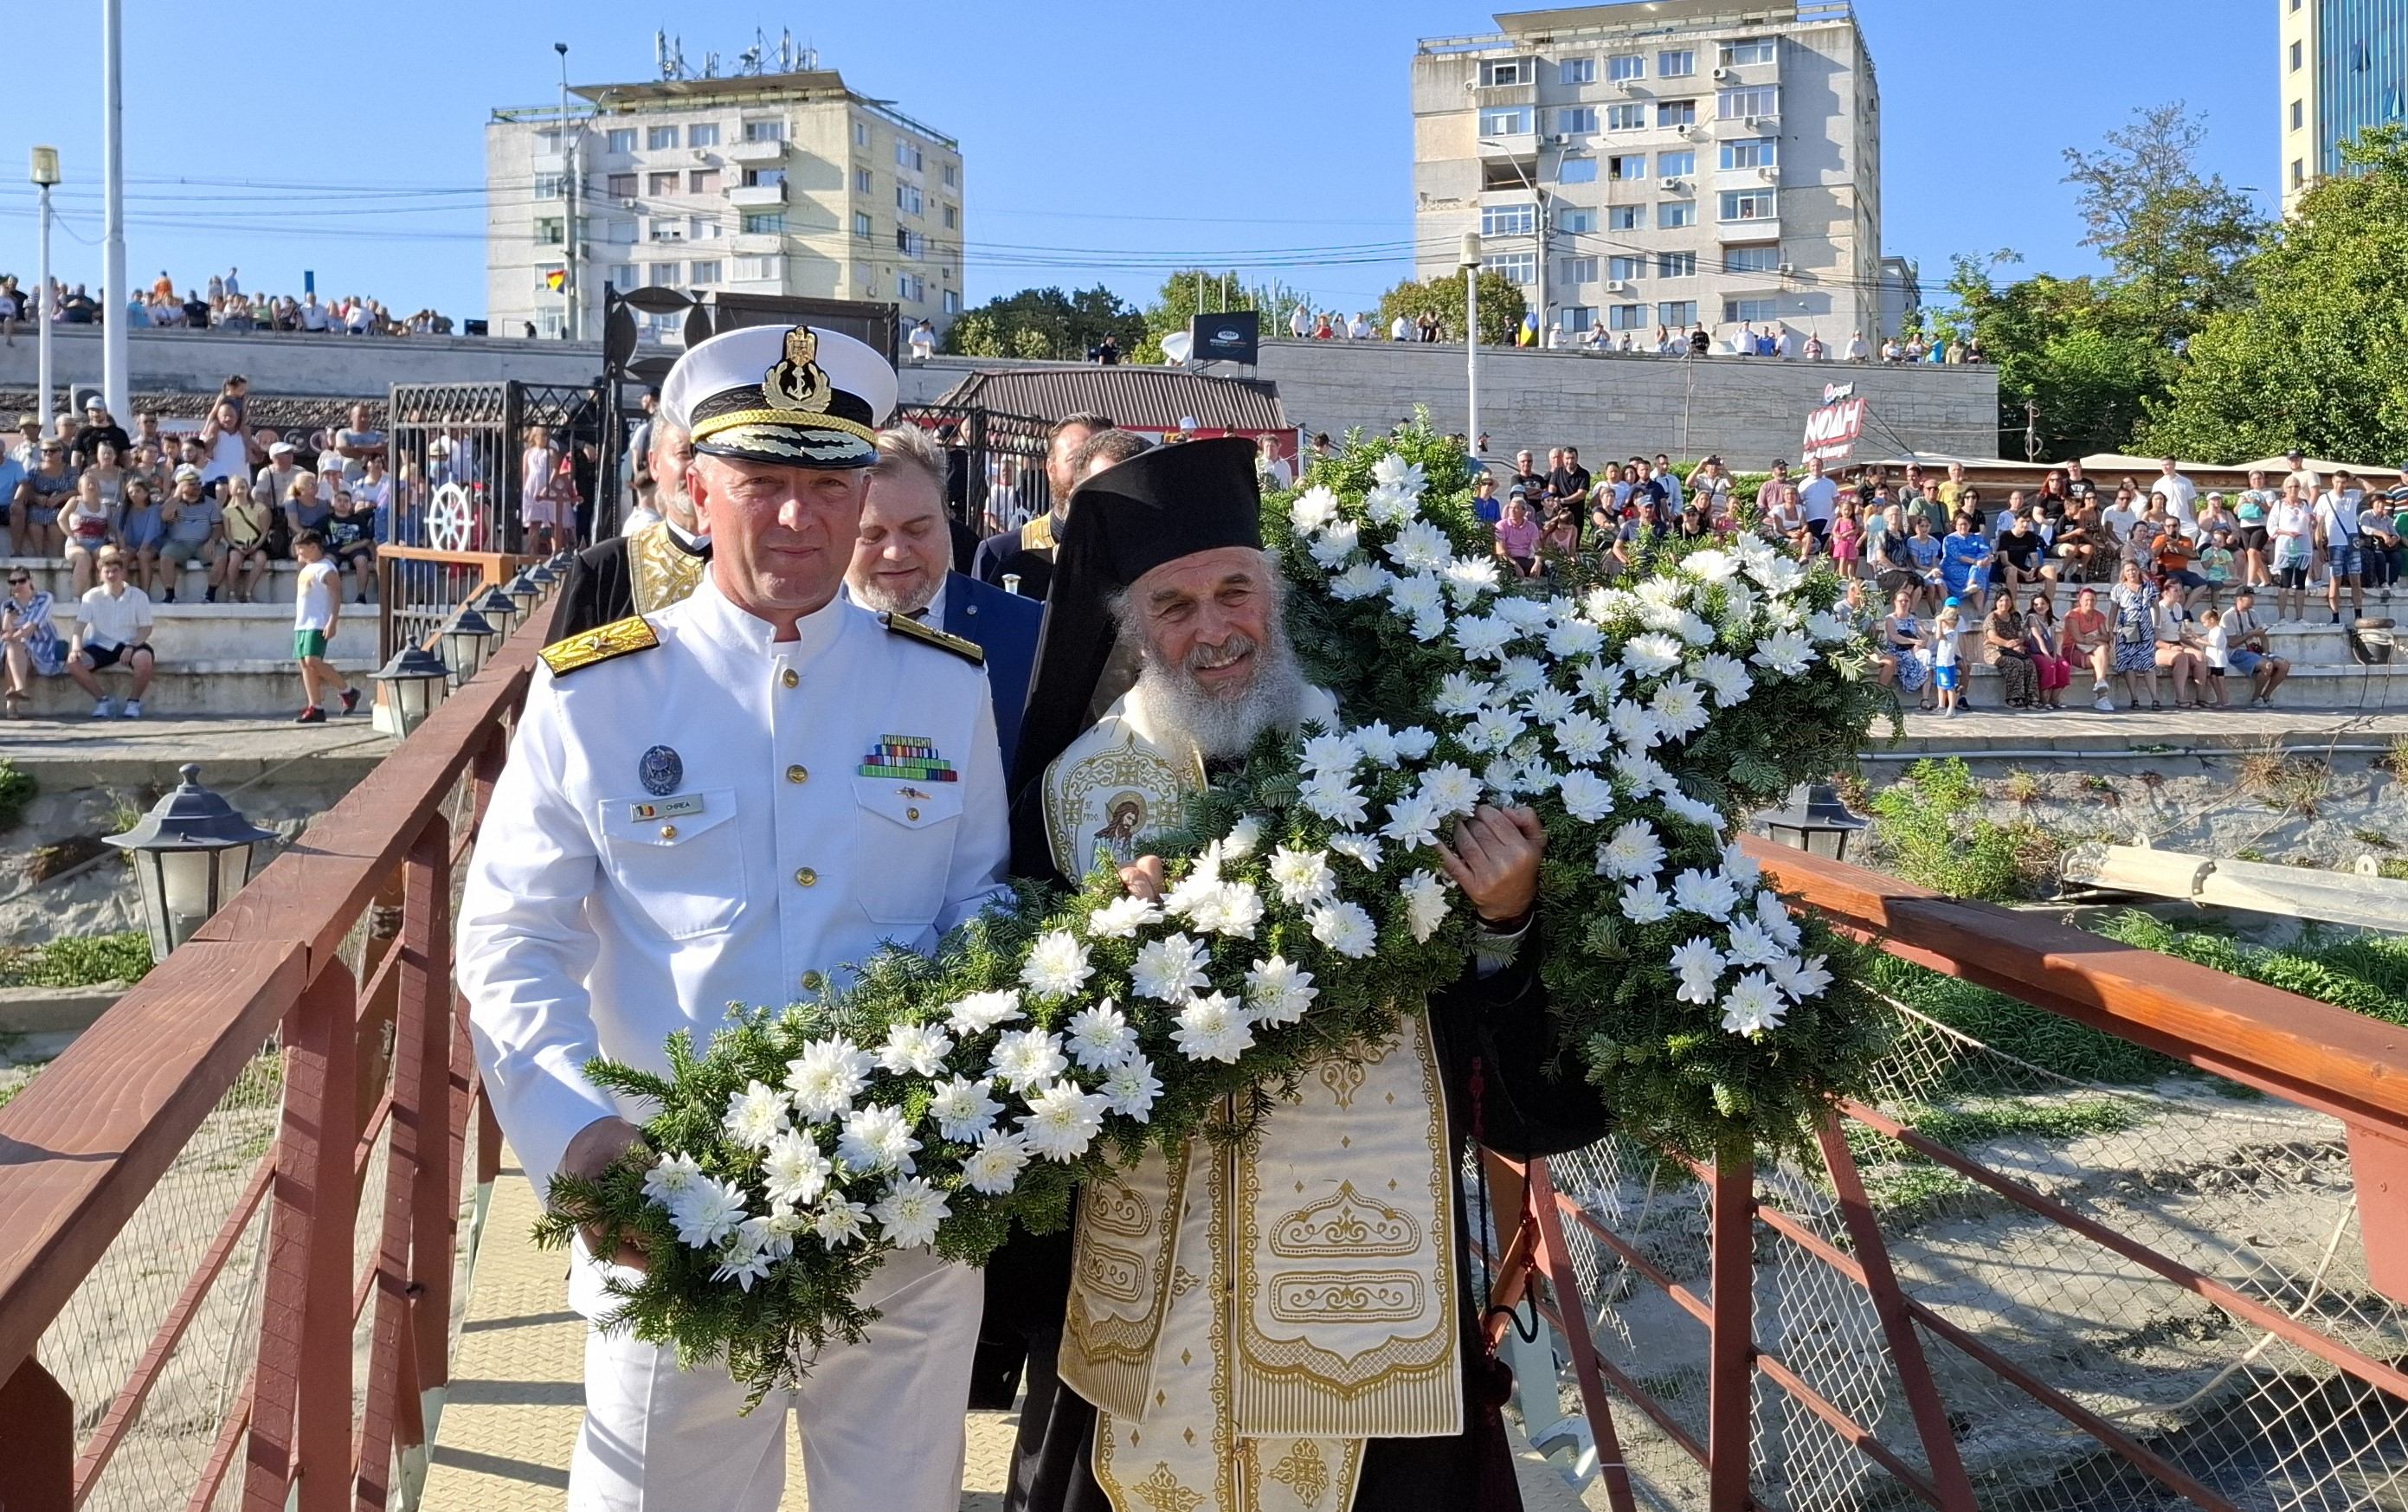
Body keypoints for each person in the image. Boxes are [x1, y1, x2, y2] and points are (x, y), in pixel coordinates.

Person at [458, 322, 1009, 1512]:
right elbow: (511, 935)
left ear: (865, 486)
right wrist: (574, 1136)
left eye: (827, 482)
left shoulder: (940, 681)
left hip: (898, 1224)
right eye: (764, 481)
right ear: (694, 485)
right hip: (671, 1214)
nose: (799, 518)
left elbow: (979, 907)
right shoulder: (599, 689)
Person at [996, 435, 1601, 1512]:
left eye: (1235, 590)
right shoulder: (1071, 798)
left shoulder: (1396, 756)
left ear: (1274, 598)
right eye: (1173, 605)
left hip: (1368, 1287)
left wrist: (1506, 919)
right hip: (1149, 1294)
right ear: (1132, 631)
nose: (1214, 629)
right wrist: (1100, 959)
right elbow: (1024, 1052)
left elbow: (1486, 1042)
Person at [844, 423, 1043, 769]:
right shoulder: (799, 636)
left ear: (947, 521)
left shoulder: (1029, 635)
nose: (896, 552)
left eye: (917, 530)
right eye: (872, 535)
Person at [972, 412, 1113, 601]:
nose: (1089, 472)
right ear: (1051, 469)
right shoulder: (1000, 554)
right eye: (1076, 459)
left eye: (1101, 459)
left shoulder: (1138, 553)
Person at [66, 548, 154, 718]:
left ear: (123, 573)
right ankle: (103, 701)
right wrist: (76, 648)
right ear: (101, 575)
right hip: (101, 645)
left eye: (115, 571)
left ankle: (133, 702)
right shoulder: (91, 596)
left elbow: (146, 628)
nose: (112, 575)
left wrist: (132, 645)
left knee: (143, 659)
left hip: (131, 642)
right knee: (74, 662)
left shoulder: (138, 596)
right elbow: (79, 626)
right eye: (107, 571)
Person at [288, 531, 357, 723]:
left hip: (317, 622)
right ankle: (315, 706)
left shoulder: (327, 569)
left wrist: (332, 621)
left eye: (302, 549)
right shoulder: (306, 568)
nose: (299, 553)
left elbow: (336, 596)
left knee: (312, 660)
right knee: (305, 664)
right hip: (302, 622)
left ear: (313, 547)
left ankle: (347, 691)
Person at [156, 465, 226, 603]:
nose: (197, 486)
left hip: (203, 544)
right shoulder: (173, 503)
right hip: (178, 544)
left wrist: (212, 540)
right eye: (192, 483)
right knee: (166, 556)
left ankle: (210, 595)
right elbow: (165, 516)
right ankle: (170, 595)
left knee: (221, 555)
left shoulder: (211, 503)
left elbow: (218, 527)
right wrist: (177, 494)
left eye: (199, 483)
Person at [1, 567, 62, 714]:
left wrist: (13, 636)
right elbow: (5, 632)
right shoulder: (6, 605)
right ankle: (18, 692)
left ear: (30, 580)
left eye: (21, 580)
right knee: (13, 647)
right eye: (13, 582)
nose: (17, 585)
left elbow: (33, 625)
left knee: (14, 643)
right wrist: (8, 619)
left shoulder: (44, 598)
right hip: (16, 649)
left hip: (42, 646)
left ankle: (13, 699)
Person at [2315, 470, 2368, 623]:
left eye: (2343, 482)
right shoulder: (2324, 498)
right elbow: (2319, 526)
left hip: (2352, 542)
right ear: (2332, 481)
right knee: (2335, 581)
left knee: (2356, 580)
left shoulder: (2352, 494)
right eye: (2338, 482)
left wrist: (2355, 476)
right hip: (2335, 544)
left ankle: (2358, 615)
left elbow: (2371, 489)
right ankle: (2335, 616)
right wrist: (2319, 547)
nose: (2340, 485)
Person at [2109, 561, 2164, 710]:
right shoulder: (2118, 589)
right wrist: (2111, 628)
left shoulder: (2149, 587)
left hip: (2145, 627)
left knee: (2148, 663)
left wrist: (2157, 627)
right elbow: (2114, 610)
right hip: (2127, 627)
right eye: (2128, 570)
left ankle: (2155, 698)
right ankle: (2134, 698)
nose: (2131, 573)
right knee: (2129, 663)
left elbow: (2156, 608)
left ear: (2138, 571)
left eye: (2134, 569)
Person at [2224, 587, 2291, 706]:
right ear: (2239, 599)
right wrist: (2251, 634)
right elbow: (2231, 643)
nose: (2253, 600)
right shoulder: (2228, 616)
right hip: (2237, 652)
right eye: (2250, 597)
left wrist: (2265, 652)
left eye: (2254, 597)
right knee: (2267, 665)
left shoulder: (2253, 614)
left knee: (2284, 665)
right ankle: (2256, 698)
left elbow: (2263, 637)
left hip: (2255, 650)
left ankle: (2266, 696)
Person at [61, 470, 119, 597]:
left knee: (111, 555)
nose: (92, 486)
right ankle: (76, 596)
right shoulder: (76, 502)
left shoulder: (105, 506)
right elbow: (61, 519)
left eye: (94, 484)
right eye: (89, 484)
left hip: (98, 544)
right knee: (84, 557)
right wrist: (71, 535)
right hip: (76, 544)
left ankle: (109, 593)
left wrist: (115, 542)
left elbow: (111, 528)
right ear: (81, 488)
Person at [2269, 479, 2317, 623]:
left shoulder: (2305, 504)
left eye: (2296, 486)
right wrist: (2287, 533)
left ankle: (2300, 617)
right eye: (2290, 486)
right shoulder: (2279, 504)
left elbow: (2311, 524)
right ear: (2285, 488)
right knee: (2285, 581)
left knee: (2301, 582)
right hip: (2286, 546)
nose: (2293, 489)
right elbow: (2271, 526)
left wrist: (2313, 521)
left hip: (2303, 546)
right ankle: (2282, 616)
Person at [2154, 583, 2207, 709]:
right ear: (2166, 593)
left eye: (2180, 590)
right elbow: (2154, 639)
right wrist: (2170, 647)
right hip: (2160, 647)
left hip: (2176, 643)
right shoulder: (2158, 610)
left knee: (2199, 656)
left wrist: (2196, 647)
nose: (2180, 593)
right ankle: (2181, 698)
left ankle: (2201, 697)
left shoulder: (2178, 608)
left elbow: (2180, 635)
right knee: (2181, 657)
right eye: (2176, 591)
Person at [1878, 585, 1931, 710]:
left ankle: (1925, 699)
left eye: (1906, 601)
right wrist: (1915, 642)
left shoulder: (1914, 619)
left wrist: (1922, 641)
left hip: (1912, 652)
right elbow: (1894, 636)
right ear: (1895, 602)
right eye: (1901, 600)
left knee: (1929, 658)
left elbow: (1924, 635)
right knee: (1923, 657)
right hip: (1897, 652)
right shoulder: (1890, 619)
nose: (1904, 603)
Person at [221, 480, 273, 603]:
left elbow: (265, 530)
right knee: (234, 559)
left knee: (261, 559)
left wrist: (256, 545)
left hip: (256, 543)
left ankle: (248, 592)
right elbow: (227, 534)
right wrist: (237, 546)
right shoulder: (226, 511)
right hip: (237, 544)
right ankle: (232, 593)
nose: (240, 490)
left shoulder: (260, 508)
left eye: (243, 487)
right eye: (237, 487)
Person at [324, 484, 377, 604]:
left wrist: (350, 547)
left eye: (346, 501)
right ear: (333, 503)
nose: (342, 503)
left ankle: (361, 596)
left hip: (356, 548)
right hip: (334, 549)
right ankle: (337, 598)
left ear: (351, 504)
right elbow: (314, 533)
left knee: (362, 560)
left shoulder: (358, 519)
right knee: (328, 562)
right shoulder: (327, 519)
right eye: (339, 500)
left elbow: (367, 539)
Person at [2064, 586, 2115, 711]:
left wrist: (2093, 639)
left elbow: (2106, 636)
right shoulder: (2073, 615)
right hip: (2073, 649)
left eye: (2092, 600)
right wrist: (2097, 639)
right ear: (2080, 601)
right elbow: (2078, 639)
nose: (2090, 603)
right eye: (2087, 600)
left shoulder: (2099, 615)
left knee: (2102, 650)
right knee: (2097, 659)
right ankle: (2102, 696)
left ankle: (2100, 685)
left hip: (2092, 647)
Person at [1984, 595, 2038, 710]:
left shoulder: (2014, 618)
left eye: (2008, 600)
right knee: (2015, 663)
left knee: (2029, 663)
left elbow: (2021, 636)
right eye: (2001, 600)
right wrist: (2008, 644)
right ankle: (2013, 699)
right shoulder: (1991, 617)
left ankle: (2031, 698)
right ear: (1996, 602)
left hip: (2012, 650)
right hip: (1995, 651)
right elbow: (1992, 638)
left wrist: (2018, 642)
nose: (2005, 603)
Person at [520, 423, 564, 556]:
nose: (545, 438)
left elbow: (556, 470)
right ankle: (532, 553)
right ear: (535, 436)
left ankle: (556, 553)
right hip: (533, 489)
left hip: (548, 489)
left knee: (554, 522)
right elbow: (525, 473)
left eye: (546, 435)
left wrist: (548, 486)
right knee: (534, 523)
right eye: (542, 435)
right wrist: (525, 491)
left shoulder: (550, 452)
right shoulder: (528, 453)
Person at [2025, 591, 2070, 710]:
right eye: (2036, 605)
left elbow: (2054, 641)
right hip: (2036, 652)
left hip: (2049, 652)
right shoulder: (2032, 618)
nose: (2039, 607)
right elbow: (2037, 638)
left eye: (2042, 604)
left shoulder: (2051, 621)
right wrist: (2047, 656)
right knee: (2048, 666)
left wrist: (2054, 655)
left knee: (2064, 666)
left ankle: (2054, 699)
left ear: (2048, 605)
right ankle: (2043, 700)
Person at [1495, 492, 1541, 577]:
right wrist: (1515, 565)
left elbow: (1539, 549)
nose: (1512, 511)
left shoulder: (1531, 526)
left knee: (1551, 565)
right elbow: (1500, 552)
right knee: (1504, 568)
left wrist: (1538, 563)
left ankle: (1554, 591)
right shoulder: (1501, 525)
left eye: (1516, 508)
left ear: (1524, 511)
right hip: (1509, 560)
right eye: (1511, 508)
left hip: (1525, 560)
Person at [1930, 602, 1964, 716]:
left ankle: (1951, 708)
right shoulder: (1948, 632)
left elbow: (1938, 636)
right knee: (1940, 686)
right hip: (1940, 662)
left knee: (1949, 687)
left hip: (1947, 664)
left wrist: (1939, 622)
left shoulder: (1952, 634)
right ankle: (1941, 706)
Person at [2199, 608, 2231, 708]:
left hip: (2218, 659)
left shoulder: (2218, 630)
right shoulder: (2212, 631)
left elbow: (2213, 643)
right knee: (2213, 678)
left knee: (2220, 679)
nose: (2204, 625)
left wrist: (2200, 641)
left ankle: (2224, 700)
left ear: (2211, 620)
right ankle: (2219, 699)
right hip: (2213, 660)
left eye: (2204, 622)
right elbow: (2205, 639)